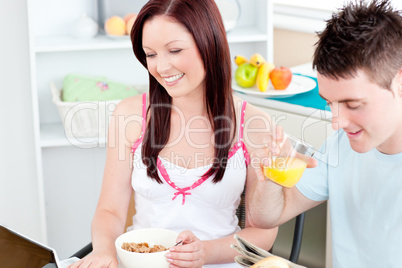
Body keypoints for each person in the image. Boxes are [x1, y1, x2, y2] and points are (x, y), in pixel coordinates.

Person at [70, 0, 278, 267]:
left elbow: (264, 232)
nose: (162, 67)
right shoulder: (130, 115)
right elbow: (110, 210)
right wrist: (104, 252)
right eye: (151, 54)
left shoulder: (255, 125)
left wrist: (205, 253)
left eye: (175, 50)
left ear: (209, 43)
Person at [247, 0, 402, 267]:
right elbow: (266, 218)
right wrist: (271, 177)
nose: (337, 122)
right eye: (330, 103)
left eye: (353, 104)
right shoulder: (340, 146)